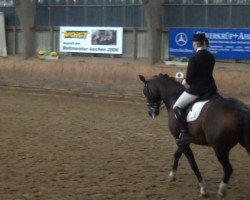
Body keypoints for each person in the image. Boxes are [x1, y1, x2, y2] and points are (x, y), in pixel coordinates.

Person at [173, 33, 218, 145]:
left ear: (196, 44)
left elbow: (190, 79)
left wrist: (184, 81)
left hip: (197, 90)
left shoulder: (194, 59)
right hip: (211, 89)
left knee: (177, 106)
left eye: (193, 43)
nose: (193, 44)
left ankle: (184, 133)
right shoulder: (211, 56)